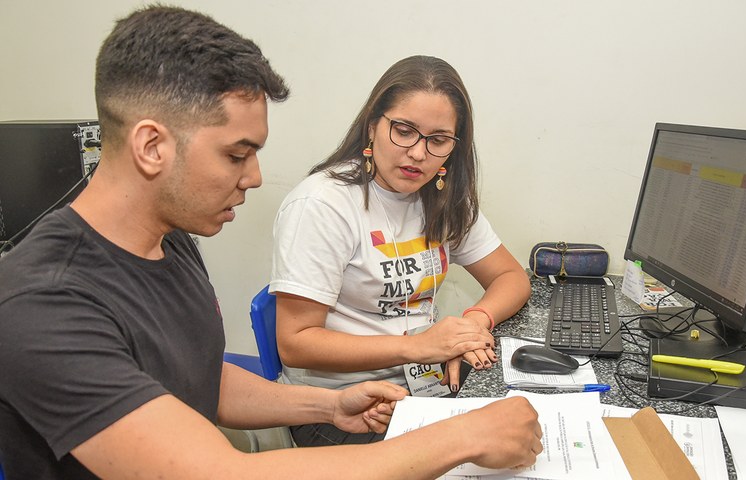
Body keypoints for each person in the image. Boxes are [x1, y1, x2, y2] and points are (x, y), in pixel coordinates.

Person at [0, 6, 542, 479]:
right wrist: (464, 438)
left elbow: (197, 379)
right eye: (236, 154)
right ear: (151, 146)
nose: (255, 176)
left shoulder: (169, 238)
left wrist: (327, 407)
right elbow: (218, 473)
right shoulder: (43, 306)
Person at [271, 55, 533, 447]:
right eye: (404, 131)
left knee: (520, 434)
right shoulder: (322, 205)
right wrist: (416, 347)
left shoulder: (444, 200)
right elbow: (295, 343)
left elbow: (511, 278)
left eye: (438, 140)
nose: (417, 153)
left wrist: (476, 321)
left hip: (421, 385)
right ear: (373, 125)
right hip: (339, 405)